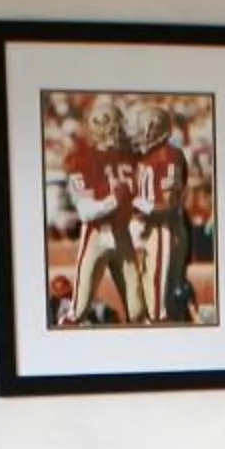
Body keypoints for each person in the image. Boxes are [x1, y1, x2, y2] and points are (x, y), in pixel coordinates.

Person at [58, 99, 144, 326]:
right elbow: (85, 212)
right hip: (96, 235)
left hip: (122, 233)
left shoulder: (129, 157)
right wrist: (113, 201)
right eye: (116, 124)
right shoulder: (82, 159)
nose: (120, 130)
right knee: (79, 309)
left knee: (137, 310)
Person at [124, 99, 191, 324]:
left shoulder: (169, 156)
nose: (138, 133)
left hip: (163, 227)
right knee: (139, 288)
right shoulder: (143, 155)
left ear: (155, 127)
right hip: (142, 225)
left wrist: (134, 203)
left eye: (142, 127)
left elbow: (167, 205)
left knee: (159, 292)